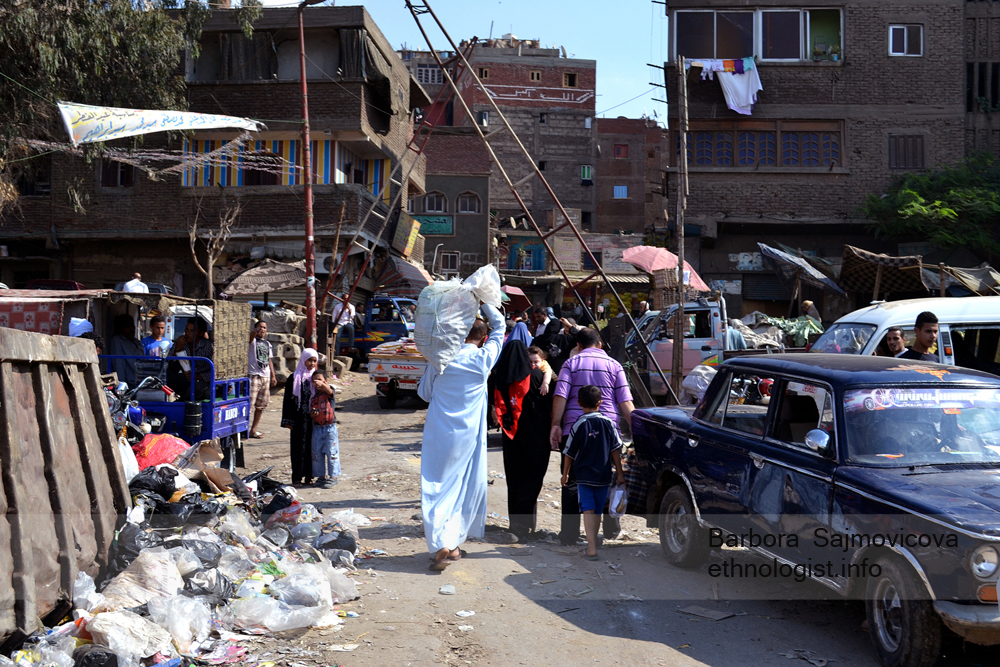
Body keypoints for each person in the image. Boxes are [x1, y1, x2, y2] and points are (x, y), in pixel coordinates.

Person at [418, 304, 506, 570]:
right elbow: (501, 326)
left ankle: (441, 543)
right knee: (461, 487)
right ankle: (452, 545)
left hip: (438, 432)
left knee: (436, 485)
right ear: (482, 338)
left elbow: (424, 394)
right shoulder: (482, 359)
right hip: (468, 437)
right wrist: (484, 302)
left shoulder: (441, 358)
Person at [550, 326, 633, 545]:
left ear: (578, 346)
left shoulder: (571, 364)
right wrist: (638, 430)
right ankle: (610, 529)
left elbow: (560, 395)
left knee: (572, 480)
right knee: (607, 478)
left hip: (574, 430)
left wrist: (556, 425)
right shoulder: (614, 366)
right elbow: (625, 401)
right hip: (607, 432)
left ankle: (569, 534)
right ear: (600, 344)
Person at [561, 385, 625, 560]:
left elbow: (568, 452)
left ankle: (591, 548)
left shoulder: (579, 424)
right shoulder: (608, 423)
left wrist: (565, 474)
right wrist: (620, 473)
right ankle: (593, 544)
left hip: (584, 476)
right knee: (597, 510)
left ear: (579, 403)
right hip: (603, 475)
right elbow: (616, 450)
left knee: (587, 510)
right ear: (600, 402)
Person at [281, 349, 319, 486]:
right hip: (298, 419)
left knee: (312, 448)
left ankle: (309, 476)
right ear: (303, 360)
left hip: (312, 419)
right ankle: (297, 478)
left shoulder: (316, 377)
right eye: (310, 360)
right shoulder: (294, 378)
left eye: (314, 361)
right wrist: (288, 420)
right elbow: (288, 400)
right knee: (298, 448)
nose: (312, 363)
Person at [248, 320, 277, 439]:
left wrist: (273, 376)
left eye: (264, 327)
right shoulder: (252, 341)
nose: (262, 329)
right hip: (254, 375)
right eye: (260, 327)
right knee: (249, 404)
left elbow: (269, 360)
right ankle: (243, 430)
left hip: (265, 376)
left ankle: (253, 429)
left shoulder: (267, 343)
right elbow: (249, 338)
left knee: (261, 406)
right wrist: (254, 333)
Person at [309, 372, 339, 489]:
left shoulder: (329, 393)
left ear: (326, 380)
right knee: (317, 453)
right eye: (314, 381)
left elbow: (329, 390)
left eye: (320, 380)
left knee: (332, 453)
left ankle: (333, 476)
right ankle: (321, 476)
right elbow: (311, 414)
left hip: (330, 428)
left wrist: (322, 384)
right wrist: (313, 414)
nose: (317, 383)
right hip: (317, 428)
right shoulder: (314, 397)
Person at [108, 314, 144, 386]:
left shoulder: (136, 342)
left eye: (132, 325)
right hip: (129, 382)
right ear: (120, 328)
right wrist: (121, 384)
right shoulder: (117, 340)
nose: (131, 329)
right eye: (126, 326)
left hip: (140, 380)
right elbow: (119, 364)